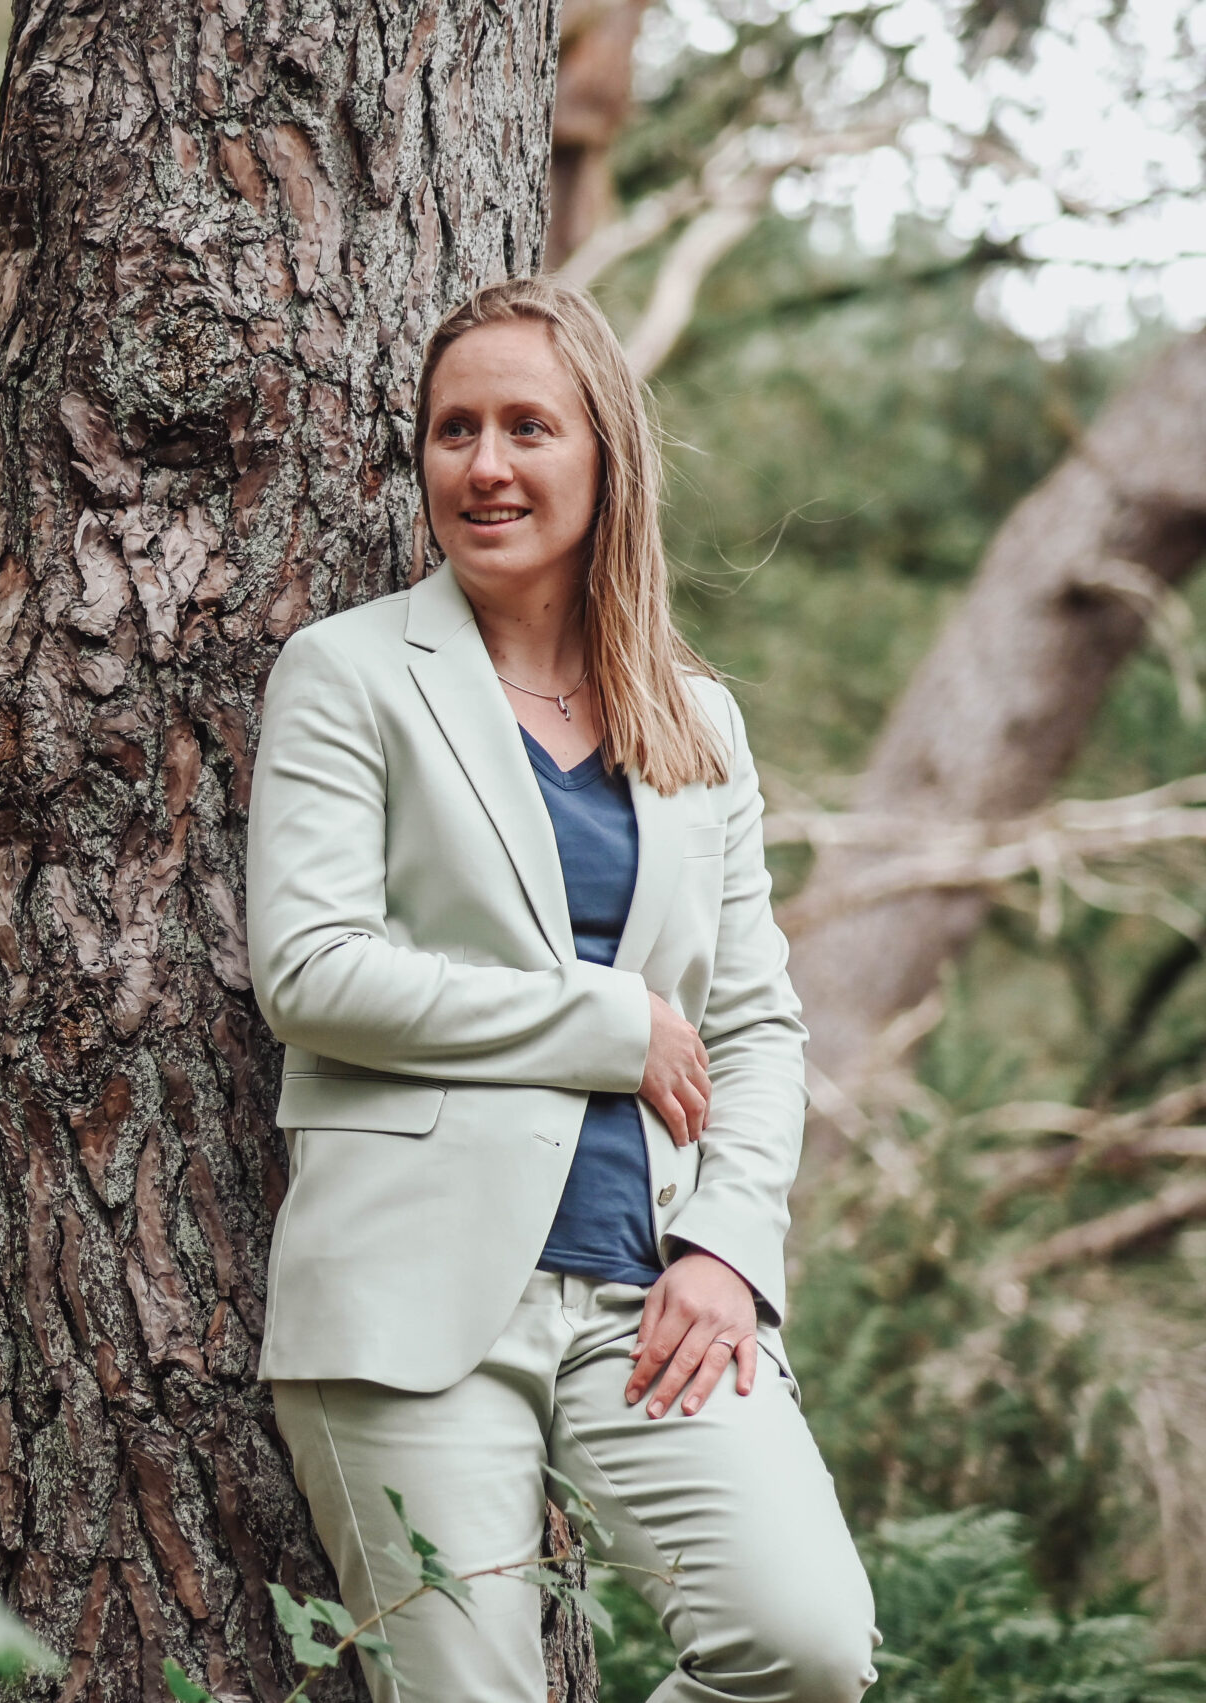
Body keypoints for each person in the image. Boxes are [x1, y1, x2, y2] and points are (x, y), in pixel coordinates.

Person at [245, 277, 878, 1703]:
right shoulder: (347, 675)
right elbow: (311, 971)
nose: (485, 466)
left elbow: (758, 1026)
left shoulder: (695, 717)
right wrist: (606, 1022)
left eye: (529, 426)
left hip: (648, 1293)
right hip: (409, 1304)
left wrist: (728, 1247)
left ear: (605, 455)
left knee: (808, 1647)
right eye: (452, 430)